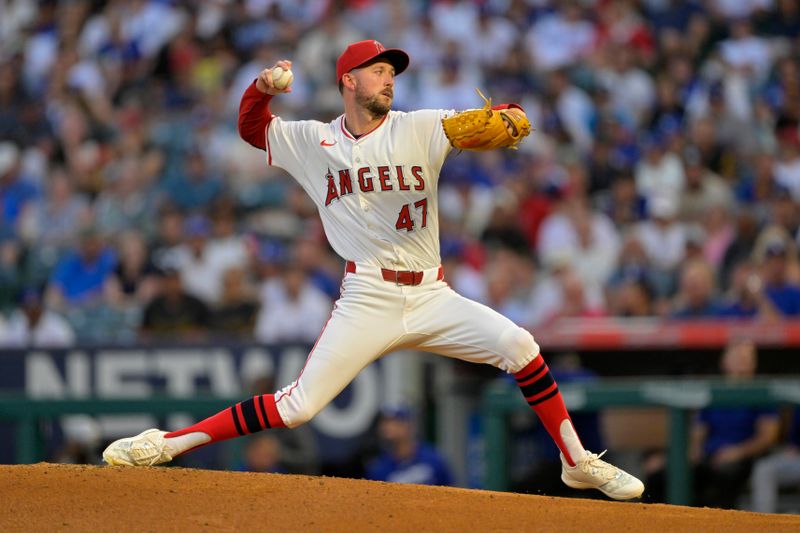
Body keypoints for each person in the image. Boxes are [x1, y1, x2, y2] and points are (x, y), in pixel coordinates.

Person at [103, 40, 644, 500]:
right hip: (368, 296)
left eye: (393, 73)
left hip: (432, 294)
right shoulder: (312, 140)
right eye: (379, 71)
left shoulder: (422, 127)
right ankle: (168, 444)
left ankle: (575, 461)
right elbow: (251, 129)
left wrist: (508, 117)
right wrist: (264, 88)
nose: (389, 81)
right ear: (348, 81)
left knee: (521, 346)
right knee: (297, 408)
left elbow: (494, 120)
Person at [366, 406, 453, 486]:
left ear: (409, 425)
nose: (388, 427)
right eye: (385, 422)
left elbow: (451, 491)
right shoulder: (380, 466)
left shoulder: (432, 458)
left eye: (395, 422)